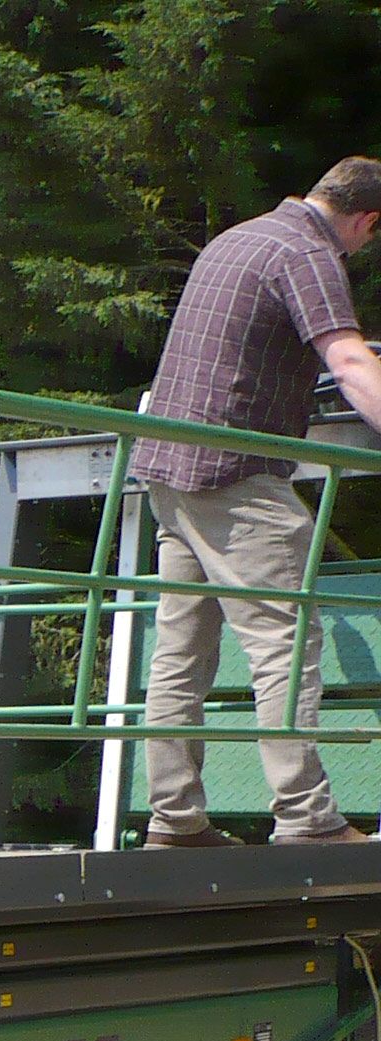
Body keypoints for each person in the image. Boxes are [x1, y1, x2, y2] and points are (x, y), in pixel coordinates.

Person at [132, 157, 381, 848]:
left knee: (180, 651)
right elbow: (352, 361)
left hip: (170, 472)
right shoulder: (308, 253)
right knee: (285, 640)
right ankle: (306, 818)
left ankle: (175, 820)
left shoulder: (238, 238)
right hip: (238, 475)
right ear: (367, 220)